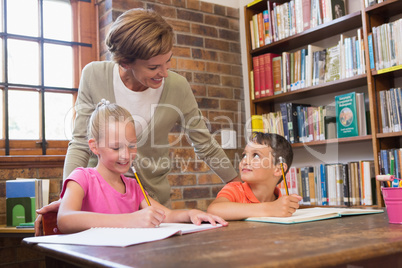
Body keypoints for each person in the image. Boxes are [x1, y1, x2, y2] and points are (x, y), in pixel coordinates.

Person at [35, 8, 239, 235]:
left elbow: (206, 145)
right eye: (153, 67)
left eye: (168, 62)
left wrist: (241, 188)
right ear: (125, 62)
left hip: (152, 208)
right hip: (99, 208)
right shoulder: (94, 76)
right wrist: (67, 198)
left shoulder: (177, 87)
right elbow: (81, 143)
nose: (164, 73)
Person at [57, 100, 227, 234]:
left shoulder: (133, 187)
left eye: (132, 146)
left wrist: (190, 214)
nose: (126, 155)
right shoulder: (81, 178)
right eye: (116, 148)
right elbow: (65, 219)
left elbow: (165, 215)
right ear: (94, 147)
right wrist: (129, 220)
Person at [207, 132, 302, 220]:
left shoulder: (280, 201)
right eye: (244, 155)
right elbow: (214, 210)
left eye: (256, 155)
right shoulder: (235, 189)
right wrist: (269, 209)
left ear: (278, 169)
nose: (245, 161)